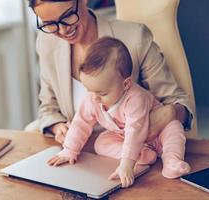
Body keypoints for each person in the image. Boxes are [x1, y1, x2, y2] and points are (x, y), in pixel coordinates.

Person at [27, 0, 194, 148]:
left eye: (68, 15)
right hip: (80, 153)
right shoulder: (47, 42)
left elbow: (179, 104)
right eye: (49, 23)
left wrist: (168, 114)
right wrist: (58, 127)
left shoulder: (135, 38)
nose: (62, 30)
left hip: (134, 152)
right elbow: (48, 108)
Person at [47, 37, 191, 188]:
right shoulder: (92, 98)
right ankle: (143, 155)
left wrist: (126, 165)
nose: (94, 97)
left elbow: (134, 131)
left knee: (173, 127)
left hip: (156, 132)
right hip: (123, 136)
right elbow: (80, 123)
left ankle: (172, 161)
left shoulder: (135, 98)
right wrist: (69, 150)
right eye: (89, 90)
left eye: (102, 93)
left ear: (126, 84)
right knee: (101, 143)